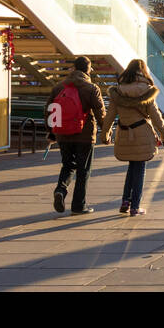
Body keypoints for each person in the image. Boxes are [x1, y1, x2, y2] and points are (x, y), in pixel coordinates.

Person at [100, 59, 164, 216]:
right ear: (143, 72)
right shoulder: (147, 90)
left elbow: (110, 115)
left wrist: (104, 133)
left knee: (132, 167)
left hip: (124, 133)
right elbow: (155, 116)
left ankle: (125, 201)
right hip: (142, 133)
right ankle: (135, 206)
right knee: (139, 169)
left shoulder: (118, 91)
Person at [46, 57, 107, 215]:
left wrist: (52, 132)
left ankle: (61, 190)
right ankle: (79, 206)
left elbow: (49, 110)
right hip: (84, 135)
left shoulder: (59, 87)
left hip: (63, 134)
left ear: (74, 68)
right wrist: (106, 131)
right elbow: (100, 112)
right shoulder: (91, 88)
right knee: (83, 170)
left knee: (67, 165)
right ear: (88, 69)